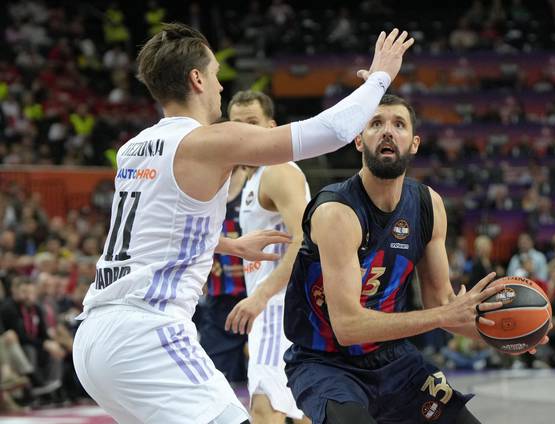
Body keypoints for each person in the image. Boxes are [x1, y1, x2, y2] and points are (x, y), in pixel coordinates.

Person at [72, 23, 415, 424]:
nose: (220, 86)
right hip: (145, 331)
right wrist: (381, 77)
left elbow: (147, 231)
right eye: (216, 75)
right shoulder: (205, 142)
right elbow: (329, 131)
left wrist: (229, 245)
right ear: (196, 79)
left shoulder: (132, 149)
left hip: (93, 336)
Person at [283, 94, 548, 424]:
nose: (387, 132)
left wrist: (505, 335)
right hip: (326, 364)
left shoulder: (427, 205)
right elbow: (348, 327)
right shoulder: (336, 211)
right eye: (376, 123)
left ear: (415, 143)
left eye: (399, 124)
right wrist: (441, 314)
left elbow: (442, 303)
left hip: (394, 360)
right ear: (358, 140)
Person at [224, 91, 309, 423]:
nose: (244, 132)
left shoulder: (277, 172)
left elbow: (306, 239)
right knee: (300, 411)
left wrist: (260, 297)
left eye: (253, 124)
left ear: (272, 128)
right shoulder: (253, 176)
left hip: (279, 306)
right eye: (237, 125)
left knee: (264, 408)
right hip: (281, 308)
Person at [194, 164, 248, 383]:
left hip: (259, 296)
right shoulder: (203, 188)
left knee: (276, 385)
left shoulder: (262, 183)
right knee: (211, 380)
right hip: (220, 301)